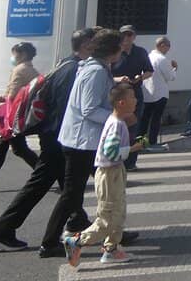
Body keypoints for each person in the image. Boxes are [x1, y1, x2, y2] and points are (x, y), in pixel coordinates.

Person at [0, 29, 95, 253]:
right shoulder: (73, 70)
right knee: (41, 185)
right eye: (96, 43)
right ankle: (1, 231)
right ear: (86, 45)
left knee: (66, 186)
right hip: (57, 138)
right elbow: (64, 110)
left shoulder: (65, 64)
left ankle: (77, 220)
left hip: (53, 136)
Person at [40, 28, 126, 259]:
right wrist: (116, 116)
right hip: (81, 141)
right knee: (74, 193)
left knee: (108, 188)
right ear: (113, 50)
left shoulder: (98, 68)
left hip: (85, 140)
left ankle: (112, 231)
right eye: (120, 47)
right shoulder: (95, 71)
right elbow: (89, 109)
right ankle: (49, 243)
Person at [62, 83, 146, 266]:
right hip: (109, 173)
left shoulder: (117, 121)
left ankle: (111, 249)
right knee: (108, 218)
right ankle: (77, 241)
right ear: (122, 102)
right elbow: (111, 152)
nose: (136, 100)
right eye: (133, 97)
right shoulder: (116, 125)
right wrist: (134, 148)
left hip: (114, 171)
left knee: (118, 212)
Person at [0, 42, 39, 194]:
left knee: (4, 149)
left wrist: (5, 98)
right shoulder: (32, 70)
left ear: (22, 54)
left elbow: (13, 94)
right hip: (20, 115)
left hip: (12, 117)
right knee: (19, 149)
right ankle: (45, 172)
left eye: (15, 54)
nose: (13, 57)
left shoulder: (19, 70)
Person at [110, 25, 152, 172]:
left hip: (134, 95)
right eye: (124, 35)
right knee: (117, 127)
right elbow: (106, 74)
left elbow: (149, 71)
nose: (126, 38)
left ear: (134, 36)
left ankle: (131, 162)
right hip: (117, 95)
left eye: (129, 35)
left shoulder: (140, 52)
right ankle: (114, 157)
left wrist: (140, 77)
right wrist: (118, 79)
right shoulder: (114, 52)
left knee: (134, 127)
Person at [139, 37, 176, 152]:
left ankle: (141, 142)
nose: (168, 49)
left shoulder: (147, 57)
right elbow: (170, 77)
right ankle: (153, 142)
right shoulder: (162, 59)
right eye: (168, 46)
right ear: (162, 45)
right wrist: (174, 68)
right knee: (156, 118)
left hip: (146, 93)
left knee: (144, 119)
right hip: (160, 93)